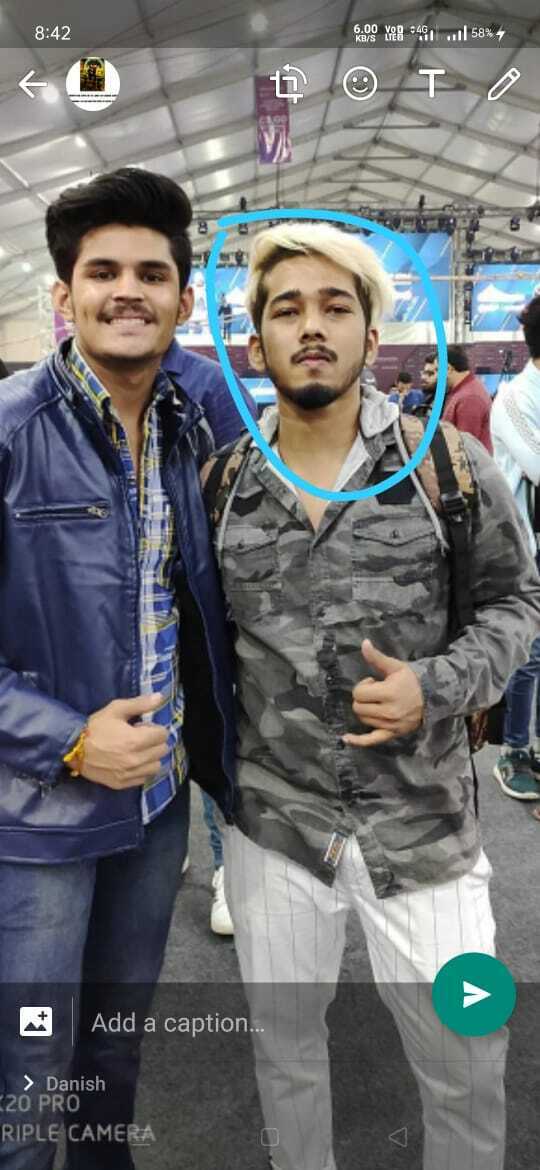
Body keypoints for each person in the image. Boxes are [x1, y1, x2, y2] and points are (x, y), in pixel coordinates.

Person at [205, 223, 540, 1170]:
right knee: (285, 1056)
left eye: (335, 306)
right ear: (257, 343)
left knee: (467, 1059)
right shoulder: (223, 482)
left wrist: (438, 686)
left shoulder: (448, 467)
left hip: (424, 828)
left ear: (370, 332)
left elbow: (517, 600)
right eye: (287, 309)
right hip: (276, 828)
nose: (311, 326)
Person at [0, 167, 236, 1169]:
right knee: (28, 1069)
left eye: (152, 273)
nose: (127, 291)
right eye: (103, 273)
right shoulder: (11, 430)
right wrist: (68, 740)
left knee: (111, 1050)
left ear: (184, 299)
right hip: (34, 818)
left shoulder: (193, 428)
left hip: (156, 808)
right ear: (64, 295)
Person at [162, 336, 257, 933]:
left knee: (214, 725)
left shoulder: (210, 385)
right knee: (151, 727)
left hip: (204, 596)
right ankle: (166, 842)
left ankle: (227, 868)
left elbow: (248, 488)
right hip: (127, 606)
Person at [490, 295, 540, 807]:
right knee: (528, 655)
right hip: (527, 547)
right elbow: (537, 464)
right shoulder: (512, 398)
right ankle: (514, 751)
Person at [443, 343, 493, 452]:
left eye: (437, 370)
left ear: (448, 369)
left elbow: (466, 450)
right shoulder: (464, 391)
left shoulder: (469, 398)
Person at [411, 351, 438, 419]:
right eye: (424, 373)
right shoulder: (430, 398)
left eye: (430, 373)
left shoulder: (451, 402)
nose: (423, 377)